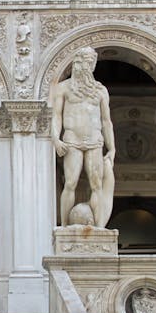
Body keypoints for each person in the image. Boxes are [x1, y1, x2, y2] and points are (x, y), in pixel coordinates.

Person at [49, 47, 116, 227]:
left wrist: (112, 147)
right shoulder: (63, 88)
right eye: (83, 62)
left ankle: (100, 227)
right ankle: (64, 227)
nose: (86, 66)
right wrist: (56, 138)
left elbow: (106, 121)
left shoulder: (100, 90)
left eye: (90, 63)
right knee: (70, 183)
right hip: (72, 140)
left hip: (95, 140)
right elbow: (56, 115)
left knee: (97, 185)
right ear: (76, 63)